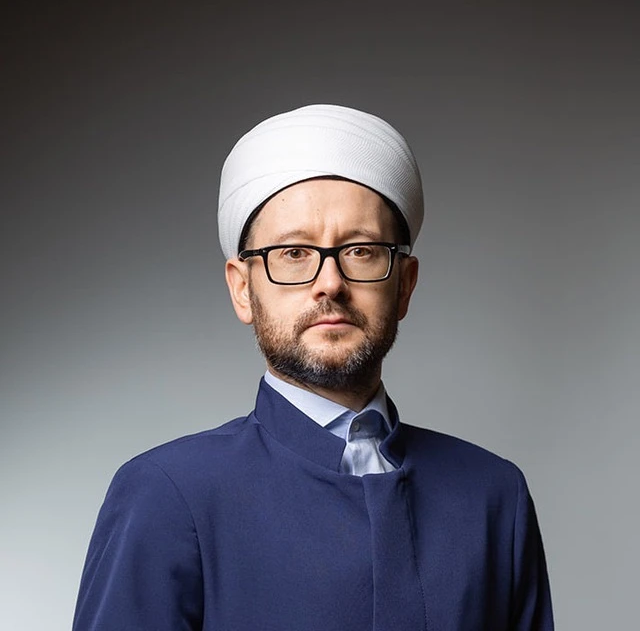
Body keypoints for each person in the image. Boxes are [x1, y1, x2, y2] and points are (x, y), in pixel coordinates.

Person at [73, 104, 554, 630]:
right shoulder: (167, 494)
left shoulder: (492, 496)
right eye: (294, 252)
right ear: (242, 288)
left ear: (405, 285)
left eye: (361, 250)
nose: (330, 283)